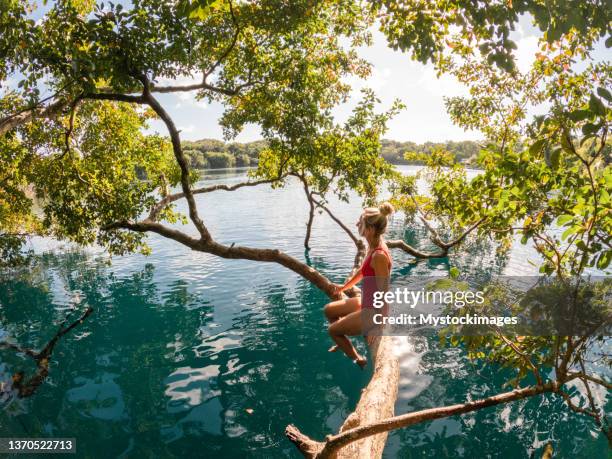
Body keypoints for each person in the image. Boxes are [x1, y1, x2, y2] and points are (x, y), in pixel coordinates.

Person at [324, 202, 394, 369]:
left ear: (369, 229)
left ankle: (358, 359)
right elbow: (362, 272)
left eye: (360, 222)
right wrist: (343, 287)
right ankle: (344, 339)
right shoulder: (373, 244)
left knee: (332, 331)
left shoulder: (379, 255)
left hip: (372, 311)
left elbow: (384, 293)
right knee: (328, 310)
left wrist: (379, 324)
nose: (356, 224)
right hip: (365, 301)